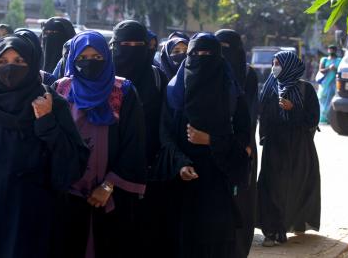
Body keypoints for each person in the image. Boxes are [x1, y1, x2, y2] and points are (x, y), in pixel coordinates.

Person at [0, 34, 89, 258]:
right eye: (2, 62)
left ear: (32, 65)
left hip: (42, 217)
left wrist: (46, 122)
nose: (11, 68)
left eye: (19, 62)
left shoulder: (53, 104)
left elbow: (73, 164)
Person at [53, 30, 147, 258]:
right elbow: (53, 140)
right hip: (68, 192)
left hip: (111, 194)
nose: (90, 63)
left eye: (97, 58)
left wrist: (108, 185)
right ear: (73, 59)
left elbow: (134, 142)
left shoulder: (123, 91)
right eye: (83, 58)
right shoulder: (60, 89)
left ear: (107, 57)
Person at [160, 33, 249, 257]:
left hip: (218, 183)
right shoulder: (174, 93)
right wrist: (180, 163)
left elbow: (243, 140)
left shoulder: (233, 95)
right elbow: (165, 134)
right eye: (195, 54)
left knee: (216, 242)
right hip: (182, 184)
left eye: (208, 54)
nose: (201, 58)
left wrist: (211, 140)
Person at [110, 20, 169, 257]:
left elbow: (166, 121)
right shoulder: (103, 76)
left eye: (138, 44)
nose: (131, 49)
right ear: (115, 46)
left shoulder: (158, 78)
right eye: (125, 44)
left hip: (147, 169)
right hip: (108, 168)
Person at [257, 51, 320, 247]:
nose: (274, 67)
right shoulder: (269, 87)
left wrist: (293, 109)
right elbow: (263, 115)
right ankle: (273, 231)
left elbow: (313, 119)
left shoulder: (306, 89)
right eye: (273, 63)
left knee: (294, 187)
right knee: (272, 187)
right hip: (274, 146)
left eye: (278, 63)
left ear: (289, 66)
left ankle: (289, 224)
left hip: (299, 147)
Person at [215, 29, 259, 258]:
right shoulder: (210, 70)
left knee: (241, 200)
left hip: (243, 145)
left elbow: (250, 113)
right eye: (218, 47)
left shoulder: (248, 74)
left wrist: (244, 144)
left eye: (227, 48)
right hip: (214, 144)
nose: (222, 54)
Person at [317, 45, 341, 123]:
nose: (331, 51)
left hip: (334, 84)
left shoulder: (339, 60)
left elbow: (341, 72)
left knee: (331, 100)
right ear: (328, 50)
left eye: (333, 50)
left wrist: (335, 69)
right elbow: (321, 70)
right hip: (324, 84)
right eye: (330, 49)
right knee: (322, 98)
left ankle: (330, 118)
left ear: (335, 51)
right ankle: (322, 117)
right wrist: (329, 68)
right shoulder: (324, 59)